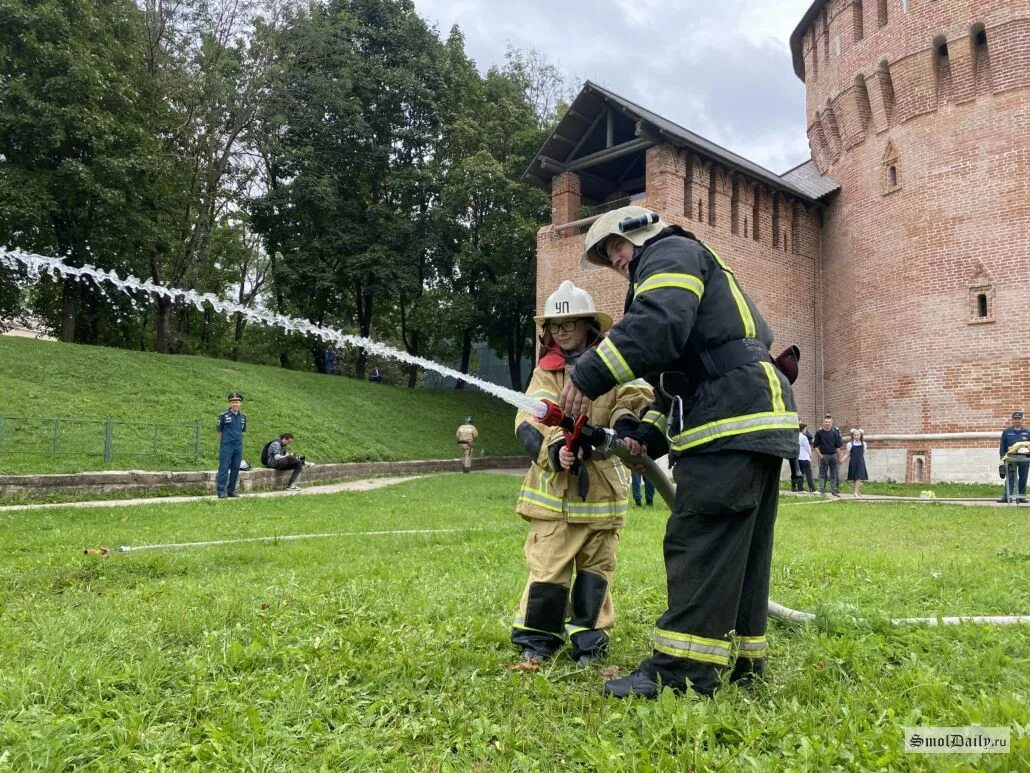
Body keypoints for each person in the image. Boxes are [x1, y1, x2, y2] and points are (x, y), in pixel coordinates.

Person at [558, 206, 798, 699]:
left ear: (639, 232)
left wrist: (586, 373)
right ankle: (744, 658)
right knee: (741, 548)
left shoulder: (669, 251)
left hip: (730, 420)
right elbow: (676, 387)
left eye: (616, 248)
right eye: (606, 257)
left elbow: (655, 327)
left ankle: (680, 671)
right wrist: (644, 434)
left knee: (699, 539)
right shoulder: (690, 266)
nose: (616, 261)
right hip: (751, 414)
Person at [512, 280, 652, 666]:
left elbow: (632, 398)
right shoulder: (546, 371)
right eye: (554, 326)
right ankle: (538, 641)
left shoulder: (613, 363)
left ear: (588, 325)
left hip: (601, 490)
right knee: (548, 568)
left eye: (568, 323)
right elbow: (530, 416)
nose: (560, 331)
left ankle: (588, 642)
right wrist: (555, 448)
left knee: (596, 570)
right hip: (554, 492)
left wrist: (624, 429)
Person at [216, 391, 247, 498]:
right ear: (230, 403)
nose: (235, 404)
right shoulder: (223, 416)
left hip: (238, 445)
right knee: (224, 468)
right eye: (233, 402)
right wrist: (221, 444)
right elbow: (219, 431)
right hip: (226, 445)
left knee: (235, 468)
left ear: (240, 403)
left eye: (237, 402)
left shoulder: (243, 417)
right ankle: (221, 491)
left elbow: (242, 431)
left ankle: (231, 490)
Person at [998, 411, 1030, 503]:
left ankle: (1021, 497)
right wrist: (1002, 457)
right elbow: (1002, 446)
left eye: (1019, 418)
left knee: (1023, 477)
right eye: (1015, 419)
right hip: (1010, 457)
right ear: (1012, 420)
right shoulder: (1006, 432)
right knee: (1010, 477)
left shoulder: (1027, 432)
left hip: (1024, 458)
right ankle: (1007, 496)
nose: (1017, 420)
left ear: (1022, 420)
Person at [812, 416, 844, 497]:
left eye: (829, 422)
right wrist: (820, 455)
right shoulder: (819, 433)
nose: (827, 423)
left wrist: (840, 457)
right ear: (823, 423)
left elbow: (837, 446)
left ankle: (834, 490)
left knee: (833, 474)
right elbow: (815, 446)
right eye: (826, 422)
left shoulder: (834, 432)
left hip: (833, 455)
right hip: (824, 455)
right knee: (822, 474)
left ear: (831, 423)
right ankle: (822, 490)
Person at [843, 428, 869, 497]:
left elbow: (863, 452)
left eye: (858, 435)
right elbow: (848, 453)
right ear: (853, 436)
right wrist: (842, 459)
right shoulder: (850, 444)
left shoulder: (863, 444)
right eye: (855, 435)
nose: (856, 436)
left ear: (860, 436)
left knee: (859, 477)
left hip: (860, 462)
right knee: (854, 478)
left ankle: (856, 492)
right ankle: (856, 492)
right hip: (853, 462)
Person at [797, 423, 816, 493]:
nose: (806, 430)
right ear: (802, 429)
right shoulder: (804, 437)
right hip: (805, 457)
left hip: (798, 457)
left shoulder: (795, 436)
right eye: (805, 429)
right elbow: (807, 447)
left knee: (800, 473)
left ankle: (800, 488)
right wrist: (810, 454)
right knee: (808, 473)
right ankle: (812, 489)